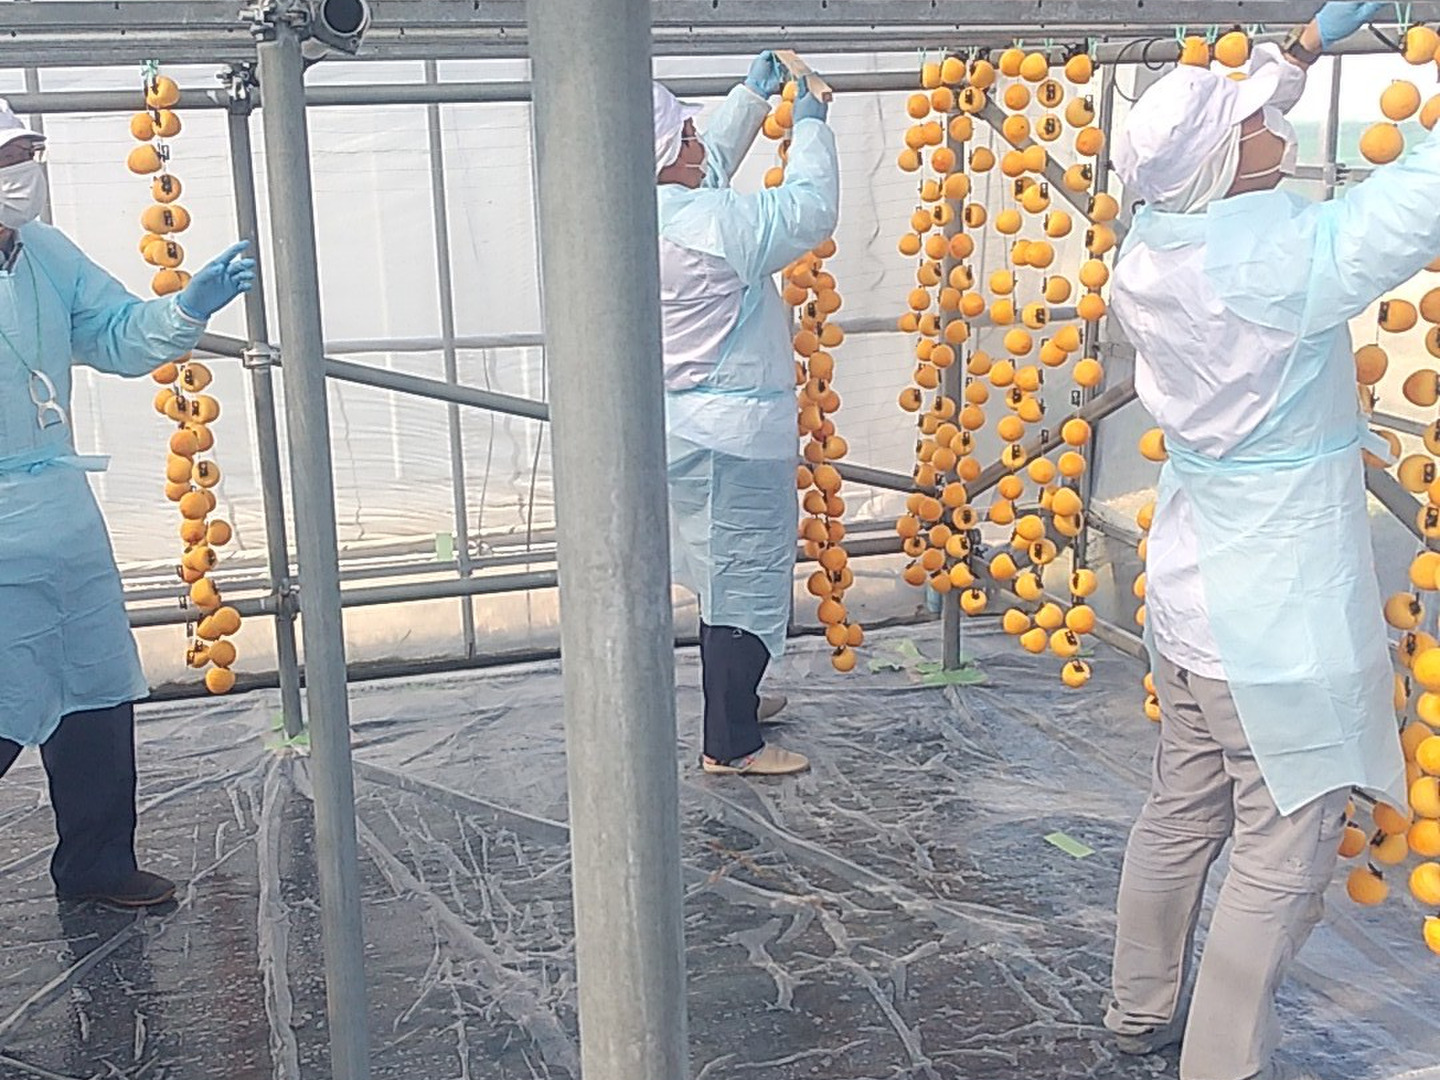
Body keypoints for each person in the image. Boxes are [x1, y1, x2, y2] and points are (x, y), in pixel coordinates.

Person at [1102, 5, 1417, 1079]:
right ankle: (1220, 1064)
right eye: (1253, 120)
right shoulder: (1272, 260)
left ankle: (1137, 1008)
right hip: (1275, 622)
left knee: (1180, 812)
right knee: (1280, 855)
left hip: (1191, 600)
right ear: (1228, 160)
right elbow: (1409, 209)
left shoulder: (1153, 249)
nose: (1273, 125)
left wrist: (1299, 55)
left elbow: (1205, 152)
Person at [0, 100, 255, 907]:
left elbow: (112, 331)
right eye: (8, 158)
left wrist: (186, 308)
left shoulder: (43, 252)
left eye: (27, 154)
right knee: (6, 697)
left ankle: (98, 863)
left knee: (96, 691)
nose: (22, 173)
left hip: (61, 509)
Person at [653, 54, 839, 776]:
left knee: (720, 576)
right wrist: (812, 126)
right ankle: (730, 743)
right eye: (686, 135)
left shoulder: (646, 213)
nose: (699, 141)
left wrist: (752, 99)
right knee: (745, 580)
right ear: (664, 156)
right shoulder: (713, 227)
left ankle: (737, 702)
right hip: (733, 437)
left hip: (684, 427)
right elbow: (808, 209)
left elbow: (703, 168)